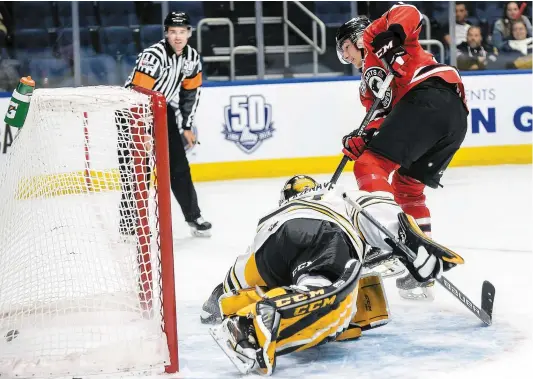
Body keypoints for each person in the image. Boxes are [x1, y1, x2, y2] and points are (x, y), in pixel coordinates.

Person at [200, 175, 463, 375]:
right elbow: (378, 212)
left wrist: (217, 298)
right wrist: (411, 245)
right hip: (325, 231)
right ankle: (248, 325)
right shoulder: (336, 196)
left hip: (268, 247)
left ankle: (245, 306)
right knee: (333, 305)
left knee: (275, 284)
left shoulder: (274, 214)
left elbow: (239, 273)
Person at [335, 2, 469, 300]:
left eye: (345, 47)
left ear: (357, 37)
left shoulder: (373, 37)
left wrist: (392, 36)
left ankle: (391, 238)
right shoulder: (366, 89)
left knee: (368, 166)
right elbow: (382, 120)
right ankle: (421, 271)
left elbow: (407, 11)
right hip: (452, 117)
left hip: (428, 94)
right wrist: (362, 137)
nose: (345, 55)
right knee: (407, 189)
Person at [123, 11, 211, 237]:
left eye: (182, 32)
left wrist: (187, 126)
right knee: (136, 169)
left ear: (189, 33)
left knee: (179, 167)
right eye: (173, 32)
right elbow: (137, 94)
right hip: (132, 113)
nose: (178, 37)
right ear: (166, 33)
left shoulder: (192, 58)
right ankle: (130, 221)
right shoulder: (153, 56)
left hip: (163, 112)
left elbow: (190, 94)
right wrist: (140, 129)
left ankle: (194, 216)